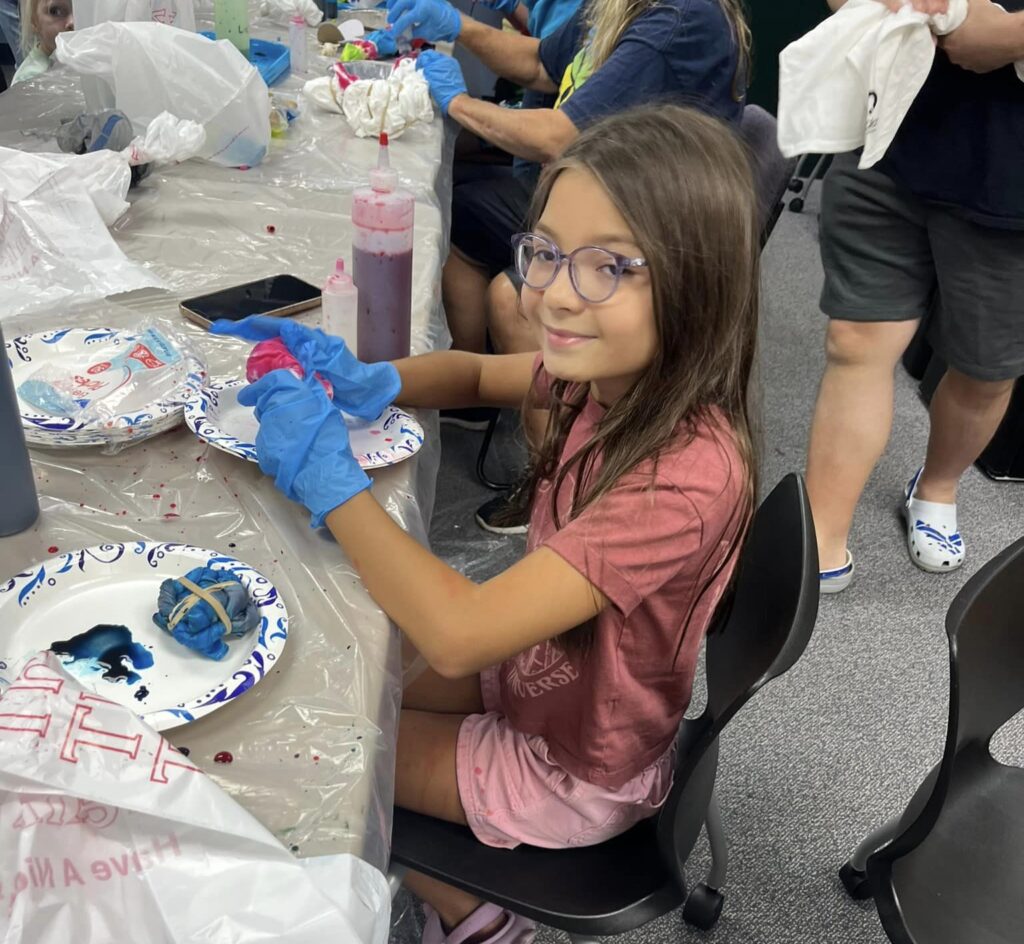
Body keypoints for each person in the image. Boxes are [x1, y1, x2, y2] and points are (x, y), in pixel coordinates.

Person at [214, 103, 760, 944]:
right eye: (542, 252)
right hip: (539, 680)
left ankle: (482, 915)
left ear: (699, 280)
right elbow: (474, 372)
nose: (551, 294)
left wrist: (332, 484)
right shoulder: (607, 375)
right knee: (344, 685)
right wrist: (374, 379)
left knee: (332, 761)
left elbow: (461, 632)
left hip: (575, 771)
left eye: (607, 266)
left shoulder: (680, 479)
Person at [384, 0, 750, 355]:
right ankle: (475, 401)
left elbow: (557, 138)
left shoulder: (677, 22)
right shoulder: (624, 7)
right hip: (609, 192)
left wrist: (459, 103)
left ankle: (551, 409)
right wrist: (459, 26)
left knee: (512, 298)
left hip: (653, 227)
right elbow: (540, 64)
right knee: (462, 216)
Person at [807, 0, 1024, 593]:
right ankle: (823, 530)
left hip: (1011, 171)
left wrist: (1012, 35)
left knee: (986, 369)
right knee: (856, 338)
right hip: (891, 126)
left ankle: (937, 486)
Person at [12, 0, 72, 85]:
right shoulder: (31, 78)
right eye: (55, 11)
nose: (72, 22)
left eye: (79, 10)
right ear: (34, 21)